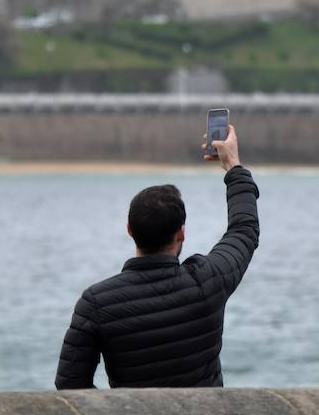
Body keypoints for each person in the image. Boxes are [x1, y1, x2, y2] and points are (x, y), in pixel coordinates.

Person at [54, 123, 259, 388]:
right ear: (181, 233)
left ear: (129, 230)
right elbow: (244, 230)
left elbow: (70, 386)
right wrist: (233, 166)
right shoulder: (209, 281)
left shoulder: (96, 303)